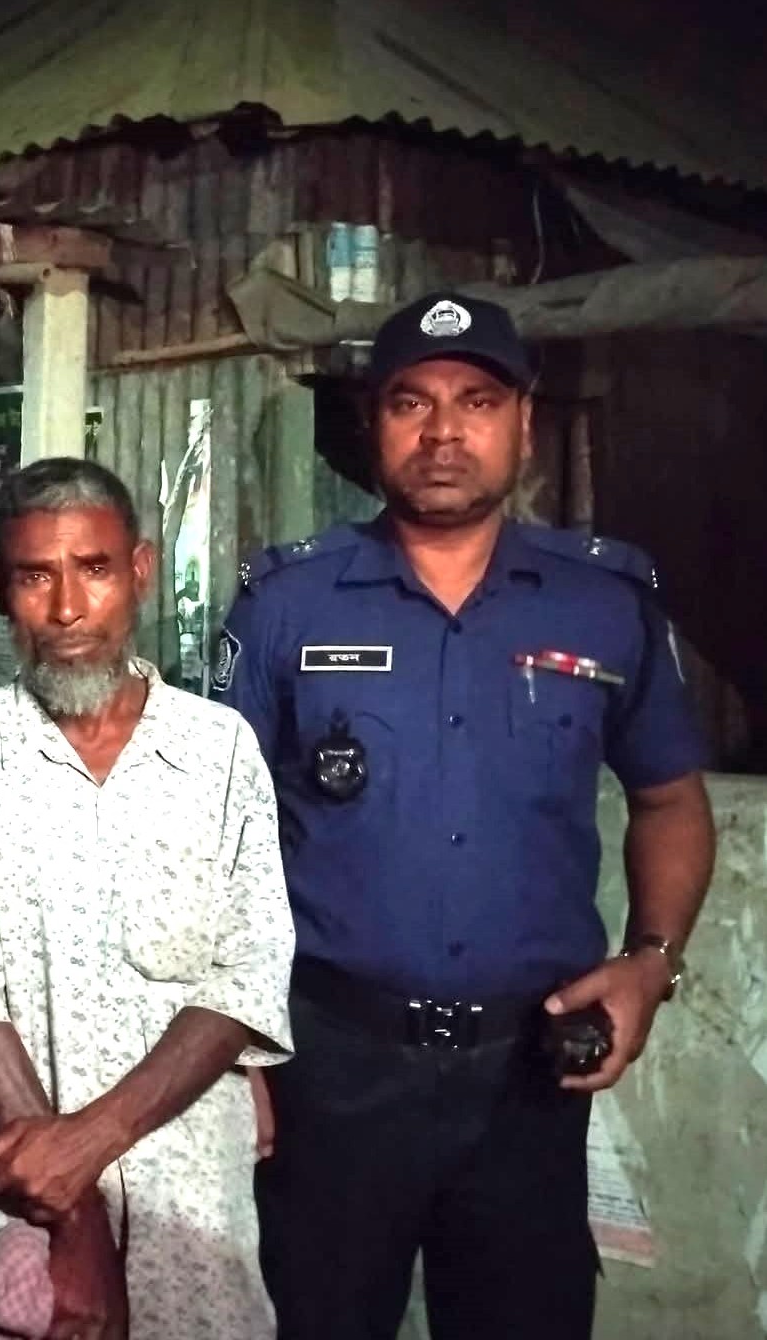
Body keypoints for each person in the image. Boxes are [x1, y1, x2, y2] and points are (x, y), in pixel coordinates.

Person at [214, 291, 716, 1339]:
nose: (443, 431)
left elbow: (669, 800)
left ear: (524, 421)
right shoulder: (287, 603)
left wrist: (651, 962)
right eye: (412, 401)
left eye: (477, 401)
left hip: (531, 1074)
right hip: (328, 1068)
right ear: (374, 423)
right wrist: (234, 1052)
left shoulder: (602, 603)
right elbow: (211, 835)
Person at [0, 457, 294, 1340]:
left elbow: (246, 975)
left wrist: (88, 1142)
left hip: (190, 1205)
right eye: (35, 576)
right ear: (0, 588)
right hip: (14, 1201)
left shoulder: (220, 751)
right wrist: (72, 1215)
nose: (68, 609)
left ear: (141, 571)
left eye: (94, 570)